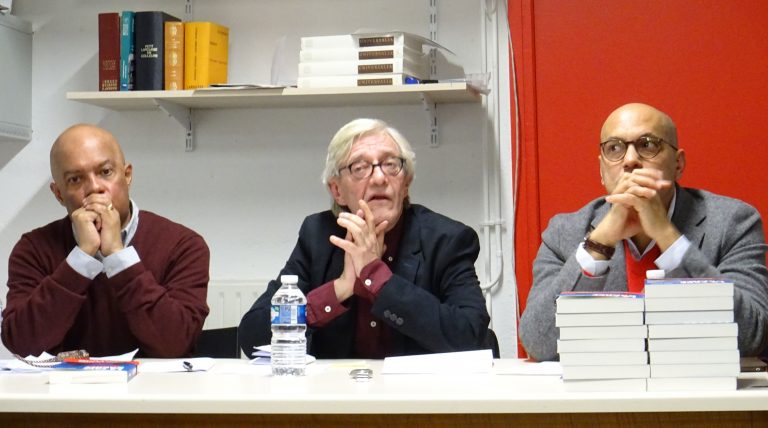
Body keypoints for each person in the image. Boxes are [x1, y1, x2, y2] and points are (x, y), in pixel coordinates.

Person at [519, 103, 768, 361]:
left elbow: (752, 337)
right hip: (607, 384)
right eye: (614, 148)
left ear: (678, 164)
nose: (630, 160)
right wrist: (600, 243)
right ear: (602, 171)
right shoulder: (565, 233)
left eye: (648, 145)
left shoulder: (733, 222)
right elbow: (537, 342)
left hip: (695, 383)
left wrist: (667, 236)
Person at [238, 118, 490, 358]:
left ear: (406, 184)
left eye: (391, 165)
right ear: (337, 190)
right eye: (359, 168)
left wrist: (377, 278)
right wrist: (341, 288)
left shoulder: (447, 240)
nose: (379, 178)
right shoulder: (318, 236)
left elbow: (471, 336)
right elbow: (253, 337)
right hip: (335, 388)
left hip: (417, 388)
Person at [1, 124, 210, 358]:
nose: (94, 188)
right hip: (65, 382)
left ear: (127, 175)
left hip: (151, 382)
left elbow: (175, 344)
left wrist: (118, 257)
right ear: (59, 194)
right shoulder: (33, 248)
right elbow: (22, 344)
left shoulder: (183, 245)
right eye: (75, 179)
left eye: (106, 172)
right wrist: (81, 259)